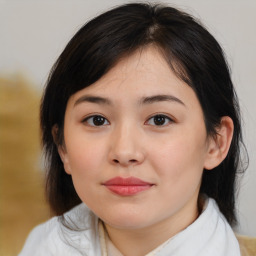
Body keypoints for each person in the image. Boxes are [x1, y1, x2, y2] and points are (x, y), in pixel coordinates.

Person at [19, 2, 246, 256]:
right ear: (62, 147)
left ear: (216, 142)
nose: (124, 151)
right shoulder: (39, 246)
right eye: (97, 120)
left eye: (159, 119)